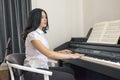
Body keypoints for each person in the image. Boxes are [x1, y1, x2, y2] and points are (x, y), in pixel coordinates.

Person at [22, 8, 84, 80]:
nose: (45, 19)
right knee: (69, 77)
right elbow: (49, 54)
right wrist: (72, 56)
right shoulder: (32, 35)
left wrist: (60, 52)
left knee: (70, 71)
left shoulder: (40, 35)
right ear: (35, 19)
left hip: (42, 69)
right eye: (42, 17)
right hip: (33, 72)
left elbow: (43, 53)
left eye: (46, 17)